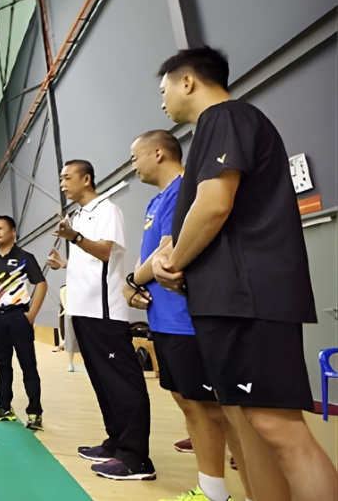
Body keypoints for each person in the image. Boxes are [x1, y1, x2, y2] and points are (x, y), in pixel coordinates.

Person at [153, 46, 337, 501]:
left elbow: (214, 205)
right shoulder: (212, 132)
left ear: (188, 82)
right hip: (225, 300)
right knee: (245, 422)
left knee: (278, 427)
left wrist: (174, 261)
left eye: (164, 90)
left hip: (249, 299)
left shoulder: (225, 118)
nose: (162, 102)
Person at [129, 130, 251, 501]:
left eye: (135, 157)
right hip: (163, 320)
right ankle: (213, 489)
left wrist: (131, 279)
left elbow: (167, 252)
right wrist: (134, 285)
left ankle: (248, 491)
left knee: (216, 410)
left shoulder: (185, 190)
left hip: (187, 319)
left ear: (158, 153)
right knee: (191, 404)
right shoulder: (155, 202)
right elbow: (147, 253)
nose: (132, 164)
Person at [46, 159, 154, 481]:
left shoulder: (107, 210)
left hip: (105, 313)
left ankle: (136, 459)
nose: (63, 183)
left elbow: (107, 253)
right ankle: (116, 442)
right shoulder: (80, 215)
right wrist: (65, 263)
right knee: (103, 384)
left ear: (87, 179)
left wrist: (75, 237)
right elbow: (92, 262)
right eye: (61, 178)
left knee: (124, 385)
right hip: (82, 311)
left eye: (67, 177)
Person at [0, 215, 47, 431]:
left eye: (0, 228)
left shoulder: (25, 257)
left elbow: (41, 284)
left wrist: (31, 314)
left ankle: (35, 412)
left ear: (12, 232)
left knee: (28, 365)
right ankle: (3, 407)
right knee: (2, 365)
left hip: (19, 317)